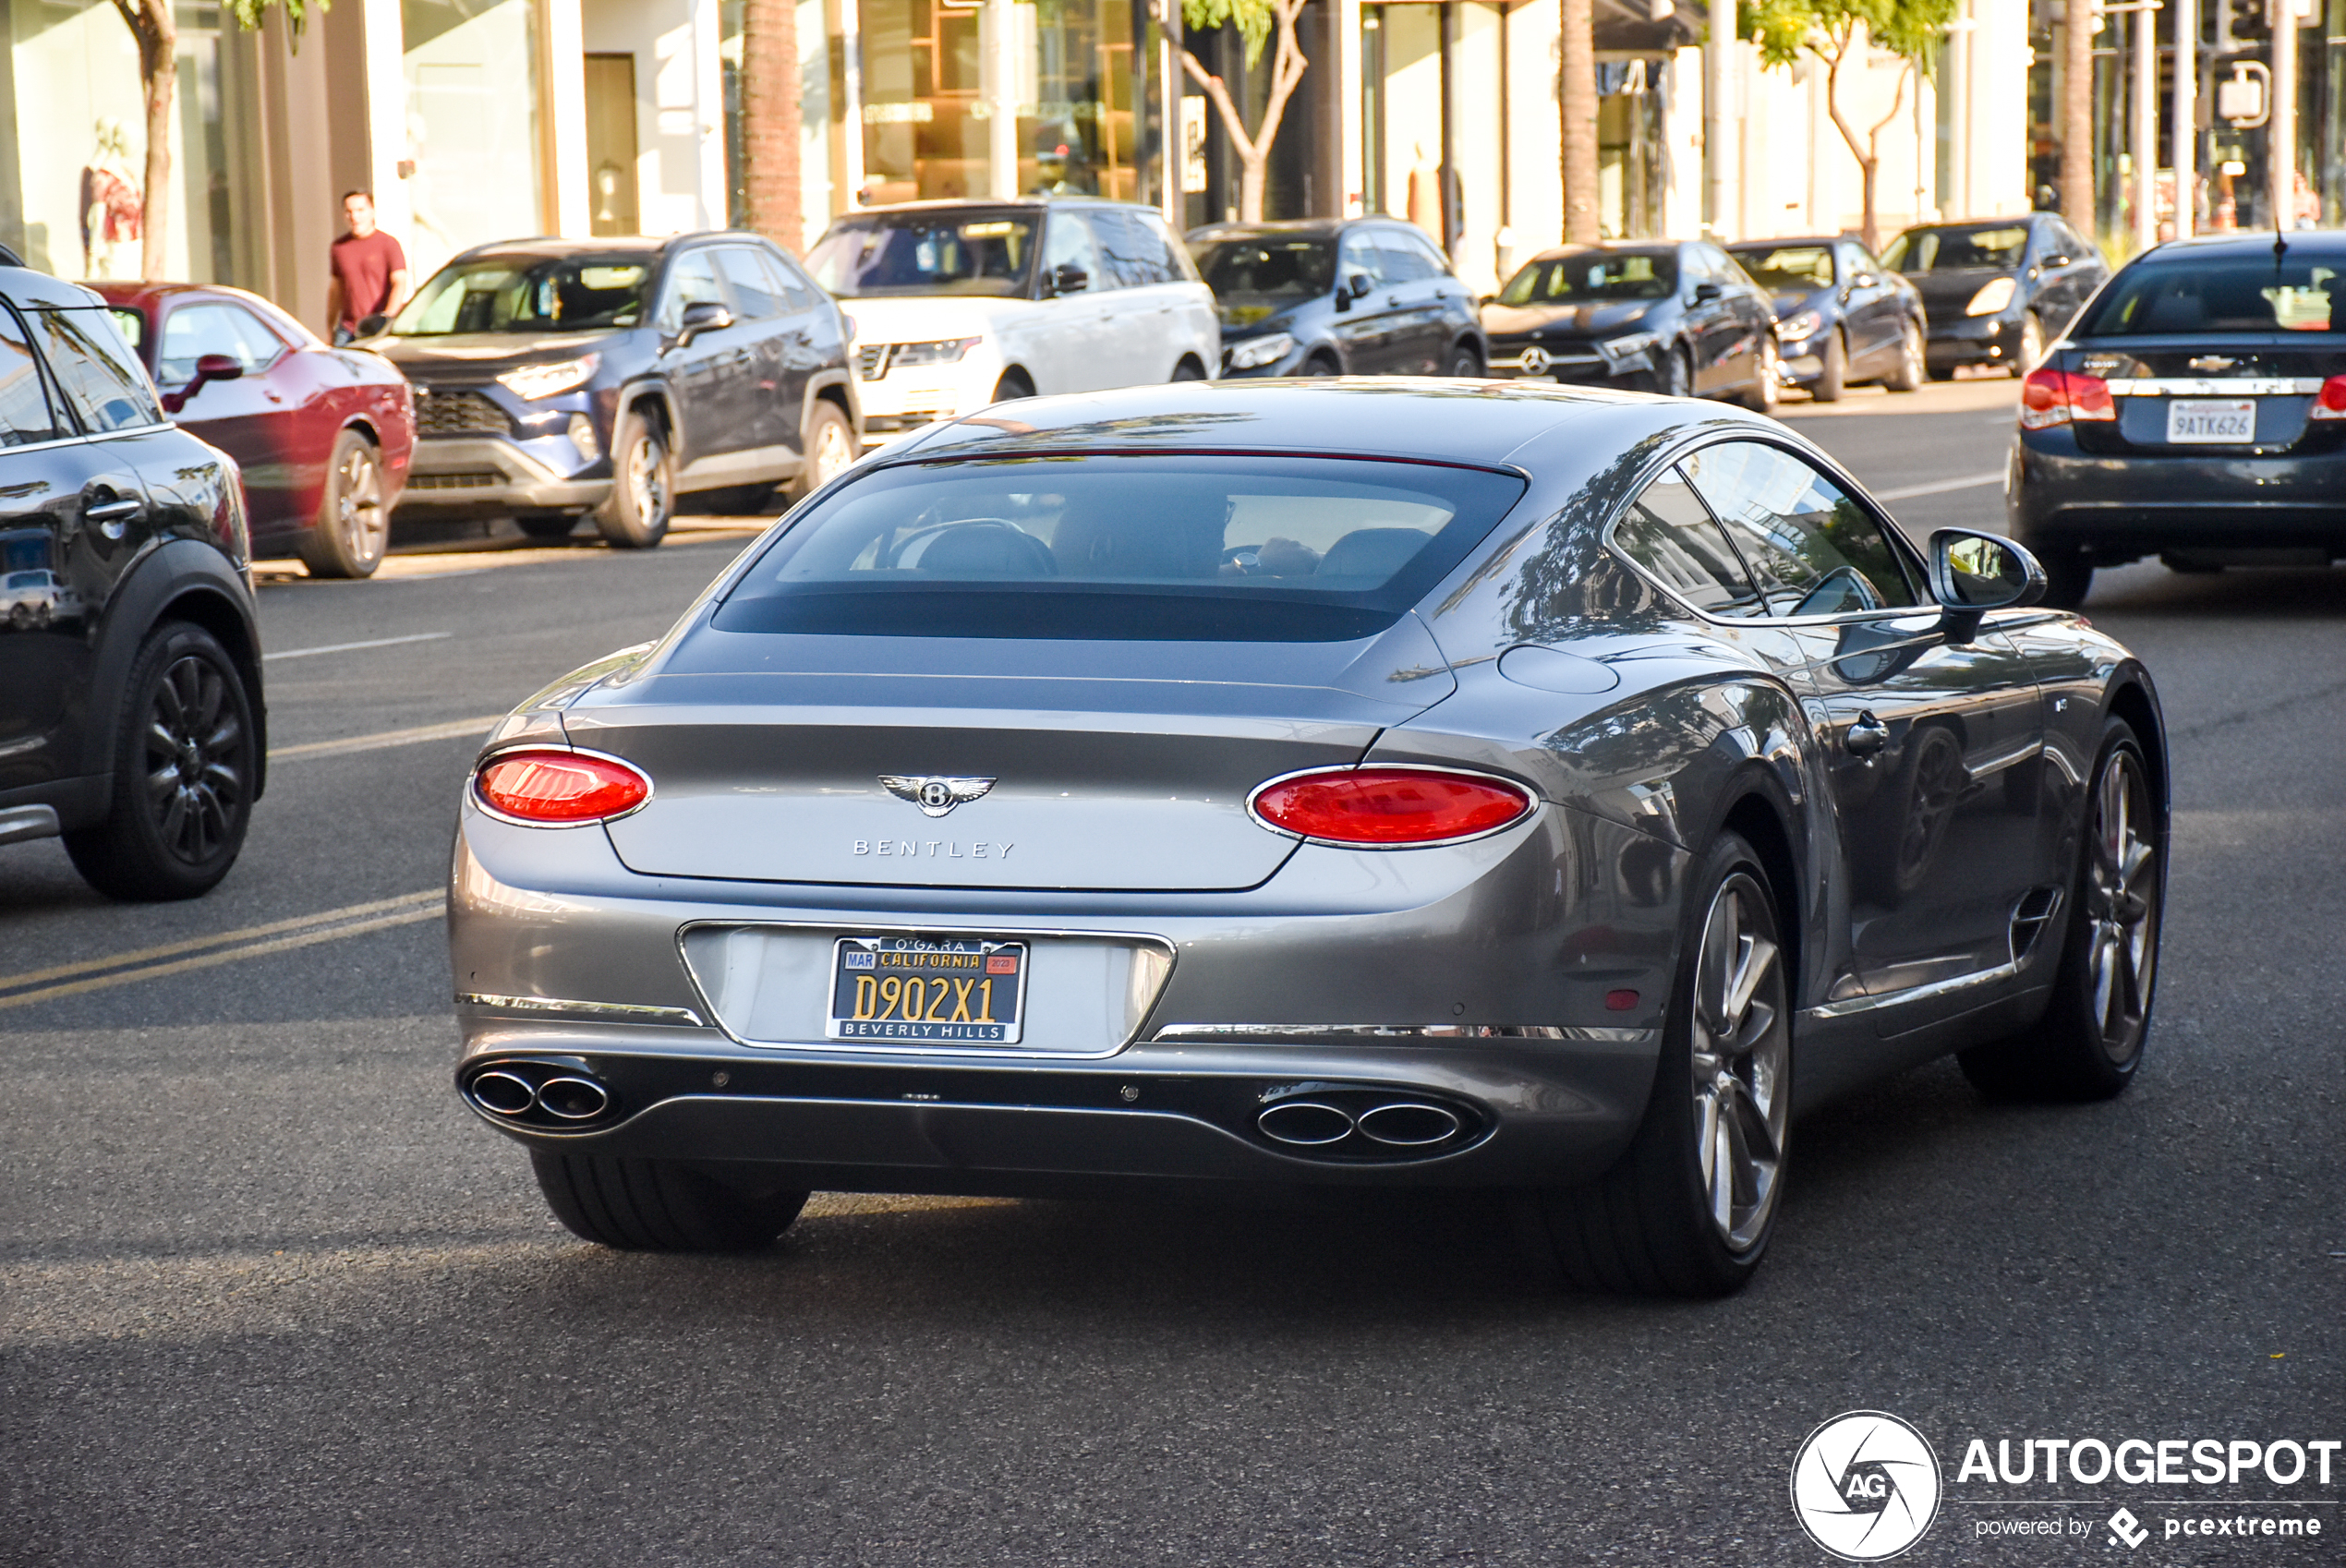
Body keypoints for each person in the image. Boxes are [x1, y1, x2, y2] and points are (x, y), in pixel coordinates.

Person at [327, 190, 408, 344]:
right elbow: (335, 291)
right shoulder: (339, 248)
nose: (354, 217)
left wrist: (386, 317)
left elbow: (400, 282)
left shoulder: (388, 244)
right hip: (347, 330)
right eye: (349, 211)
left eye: (360, 210)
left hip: (378, 331)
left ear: (372, 212)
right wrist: (329, 329)